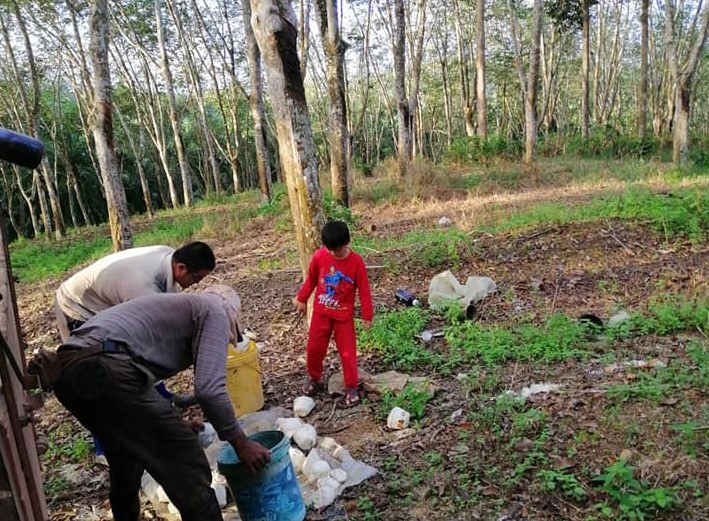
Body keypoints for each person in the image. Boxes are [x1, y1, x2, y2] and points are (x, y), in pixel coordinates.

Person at [42, 285, 272, 521]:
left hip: (70, 372)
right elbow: (210, 391)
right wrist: (241, 444)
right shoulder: (215, 311)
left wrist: (175, 421)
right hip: (105, 367)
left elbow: (134, 380)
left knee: (124, 458)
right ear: (231, 315)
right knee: (187, 465)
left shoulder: (177, 309)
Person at [54, 241, 216, 342]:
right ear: (181, 268)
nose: (195, 284)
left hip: (103, 300)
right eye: (196, 278)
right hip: (75, 305)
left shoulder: (168, 254)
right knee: (89, 362)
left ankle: (158, 392)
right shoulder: (143, 286)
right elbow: (150, 333)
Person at [293, 220, 373, 407]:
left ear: (347, 243)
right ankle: (314, 378)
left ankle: (351, 387)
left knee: (348, 353)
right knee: (314, 349)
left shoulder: (356, 262)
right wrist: (302, 299)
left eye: (336, 250)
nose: (333, 253)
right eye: (330, 249)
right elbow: (311, 279)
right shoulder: (320, 256)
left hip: (343, 318)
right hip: (321, 313)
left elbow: (364, 290)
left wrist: (367, 315)